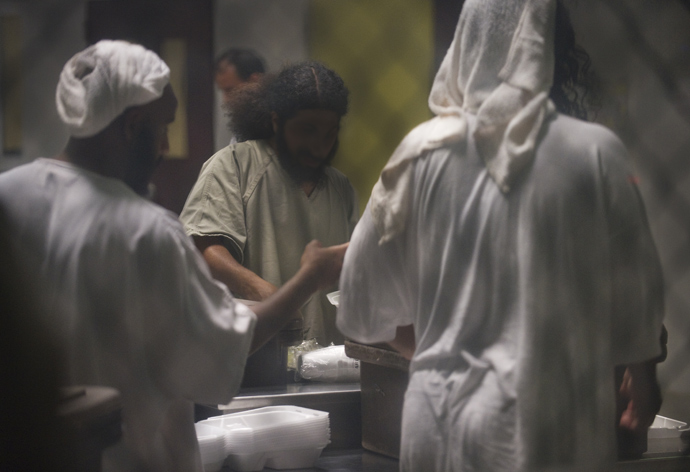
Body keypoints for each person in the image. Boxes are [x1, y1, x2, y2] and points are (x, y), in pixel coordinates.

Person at [336, 1, 665, 471]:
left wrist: (450, 350)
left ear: (465, 42)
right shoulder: (597, 153)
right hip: (549, 421)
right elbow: (637, 302)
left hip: (437, 419)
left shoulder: (420, 152)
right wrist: (642, 385)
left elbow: (360, 305)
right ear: (551, 54)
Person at [0, 40, 347, 472]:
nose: (165, 145)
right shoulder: (144, 231)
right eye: (164, 127)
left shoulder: (8, 198)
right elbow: (224, 347)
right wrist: (309, 278)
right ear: (132, 125)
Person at [181, 61, 358, 349]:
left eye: (329, 133)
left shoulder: (340, 187)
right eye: (307, 130)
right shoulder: (234, 165)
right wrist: (275, 299)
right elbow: (204, 251)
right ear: (277, 122)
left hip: (325, 360)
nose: (319, 147)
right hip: (257, 355)